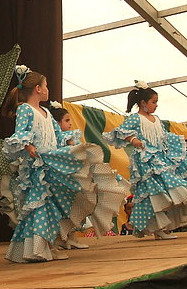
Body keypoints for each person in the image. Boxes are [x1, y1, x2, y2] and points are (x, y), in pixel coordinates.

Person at [0, 65, 92, 263]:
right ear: (38, 89)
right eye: (46, 85)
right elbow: (21, 133)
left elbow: (56, 136)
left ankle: (45, 247)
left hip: (49, 164)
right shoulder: (25, 109)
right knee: (39, 206)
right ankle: (38, 249)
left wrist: (68, 143)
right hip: (36, 167)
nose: (48, 89)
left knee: (49, 207)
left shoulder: (47, 113)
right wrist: (28, 146)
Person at [103, 81, 187, 239]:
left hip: (162, 158)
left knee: (166, 191)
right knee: (157, 193)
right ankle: (159, 228)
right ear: (143, 103)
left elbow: (163, 136)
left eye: (156, 102)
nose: (156, 105)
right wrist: (133, 139)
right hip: (147, 161)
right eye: (153, 102)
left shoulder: (156, 119)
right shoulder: (136, 118)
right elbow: (122, 132)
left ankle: (163, 226)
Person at [48, 101, 129, 247]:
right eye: (66, 120)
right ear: (56, 123)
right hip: (68, 180)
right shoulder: (59, 139)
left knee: (76, 208)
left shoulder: (68, 137)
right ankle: (64, 239)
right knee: (68, 210)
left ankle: (70, 238)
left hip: (76, 179)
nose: (70, 124)